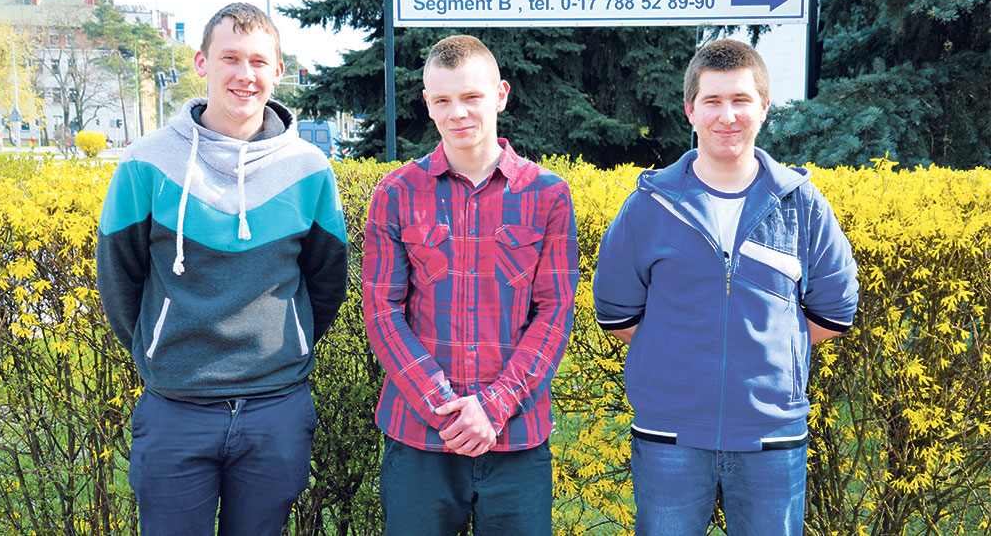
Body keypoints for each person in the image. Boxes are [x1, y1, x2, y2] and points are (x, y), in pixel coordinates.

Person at [95, 2, 347, 535]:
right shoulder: (145, 162)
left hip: (276, 409)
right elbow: (119, 280)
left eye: (258, 61)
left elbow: (326, 282)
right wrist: (160, 350)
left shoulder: (309, 168)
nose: (244, 74)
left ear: (278, 72)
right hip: (176, 409)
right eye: (229, 57)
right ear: (201, 63)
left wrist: (289, 342)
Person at [593, 39, 860, 535]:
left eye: (740, 100)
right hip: (669, 436)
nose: (727, 116)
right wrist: (670, 348)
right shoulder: (649, 206)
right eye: (713, 101)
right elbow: (616, 313)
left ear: (764, 107)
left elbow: (834, 311)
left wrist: (774, 349)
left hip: (771, 438)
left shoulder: (802, 206)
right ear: (690, 110)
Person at [361, 34, 579, 535]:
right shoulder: (396, 193)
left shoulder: (547, 195)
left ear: (500, 95)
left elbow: (554, 313)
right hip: (419, 437)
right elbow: (382, 311)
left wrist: (494, 405)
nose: (457, 112)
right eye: (442, 100)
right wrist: (444, 407)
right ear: (427, 104)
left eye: (471, 96)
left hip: (516, 438)